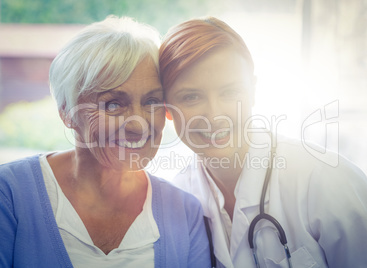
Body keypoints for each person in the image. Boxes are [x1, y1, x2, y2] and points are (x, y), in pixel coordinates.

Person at [159, 16, 367, 267]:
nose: (214, 115)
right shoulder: (176, 201)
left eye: (230, 92)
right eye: (191, 97)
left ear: (253, 92)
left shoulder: (329, 180)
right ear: (167, 110)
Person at [0, 16, 210, 268]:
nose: (137, 124)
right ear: (67, 112)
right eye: (114, 103)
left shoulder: (186, 212)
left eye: (151, 101)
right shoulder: (10, 194)